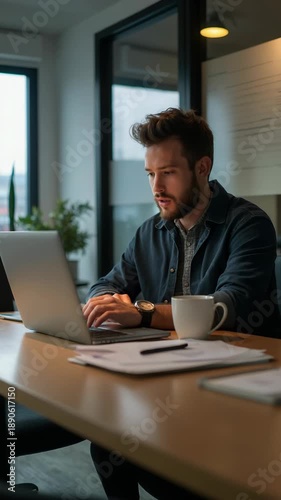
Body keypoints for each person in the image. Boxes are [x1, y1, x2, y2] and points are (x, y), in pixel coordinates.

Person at [83, 108, 280, 499]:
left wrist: (139, 311)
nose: (156, 186)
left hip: (238, 391)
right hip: (170, 383)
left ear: (202, 167)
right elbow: (106, 283)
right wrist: (105, 301)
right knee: (107, 441)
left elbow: (228, 306)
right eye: (150, 174)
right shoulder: (149, 231)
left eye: (168, 172)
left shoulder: (249, 224)